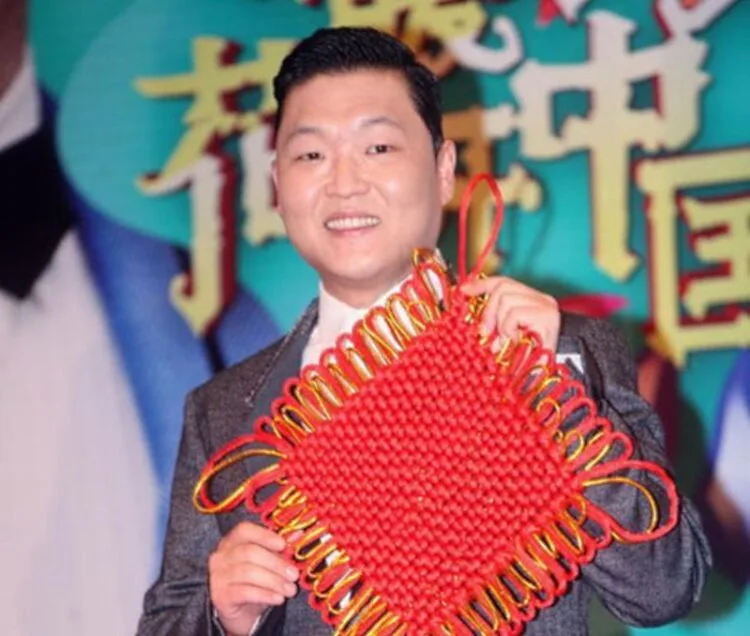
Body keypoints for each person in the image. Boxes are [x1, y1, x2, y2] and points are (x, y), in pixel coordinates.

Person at [136, 26, 711, 636]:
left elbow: (665, 588)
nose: (344, 182)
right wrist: (223, 615)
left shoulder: (565, 353)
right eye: (311, 155)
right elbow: (168, 620)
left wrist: (552, 402)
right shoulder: (224, 411)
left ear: (443, 170)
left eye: (378, 147)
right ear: (278, 185)